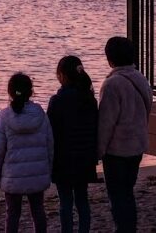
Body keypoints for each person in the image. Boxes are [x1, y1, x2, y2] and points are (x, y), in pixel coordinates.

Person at [97, 37, 153, 233]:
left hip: (117, 150)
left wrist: (99, 150)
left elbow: (106, 122)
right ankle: (129, 228)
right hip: (137, 146)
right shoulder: (141, 78)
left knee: (118, 196)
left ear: (110, 59)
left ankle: (124, 229)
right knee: (127, 192)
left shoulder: (112, 84)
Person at [0, 73, 53, 233]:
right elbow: (49, 145)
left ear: (10, 92)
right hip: (37, 173)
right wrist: (48, 169)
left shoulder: (4, 117)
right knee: (38, 211)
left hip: (12, 177)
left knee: (12, 214)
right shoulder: (40, 114)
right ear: (30, 91)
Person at [47, 56, 99, 233]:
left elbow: (50, 132)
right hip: (85, 157)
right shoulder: (89, 99)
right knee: (82, 200)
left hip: (64, 159)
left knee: (65, 202)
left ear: (62, 75)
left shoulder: (57, 101)